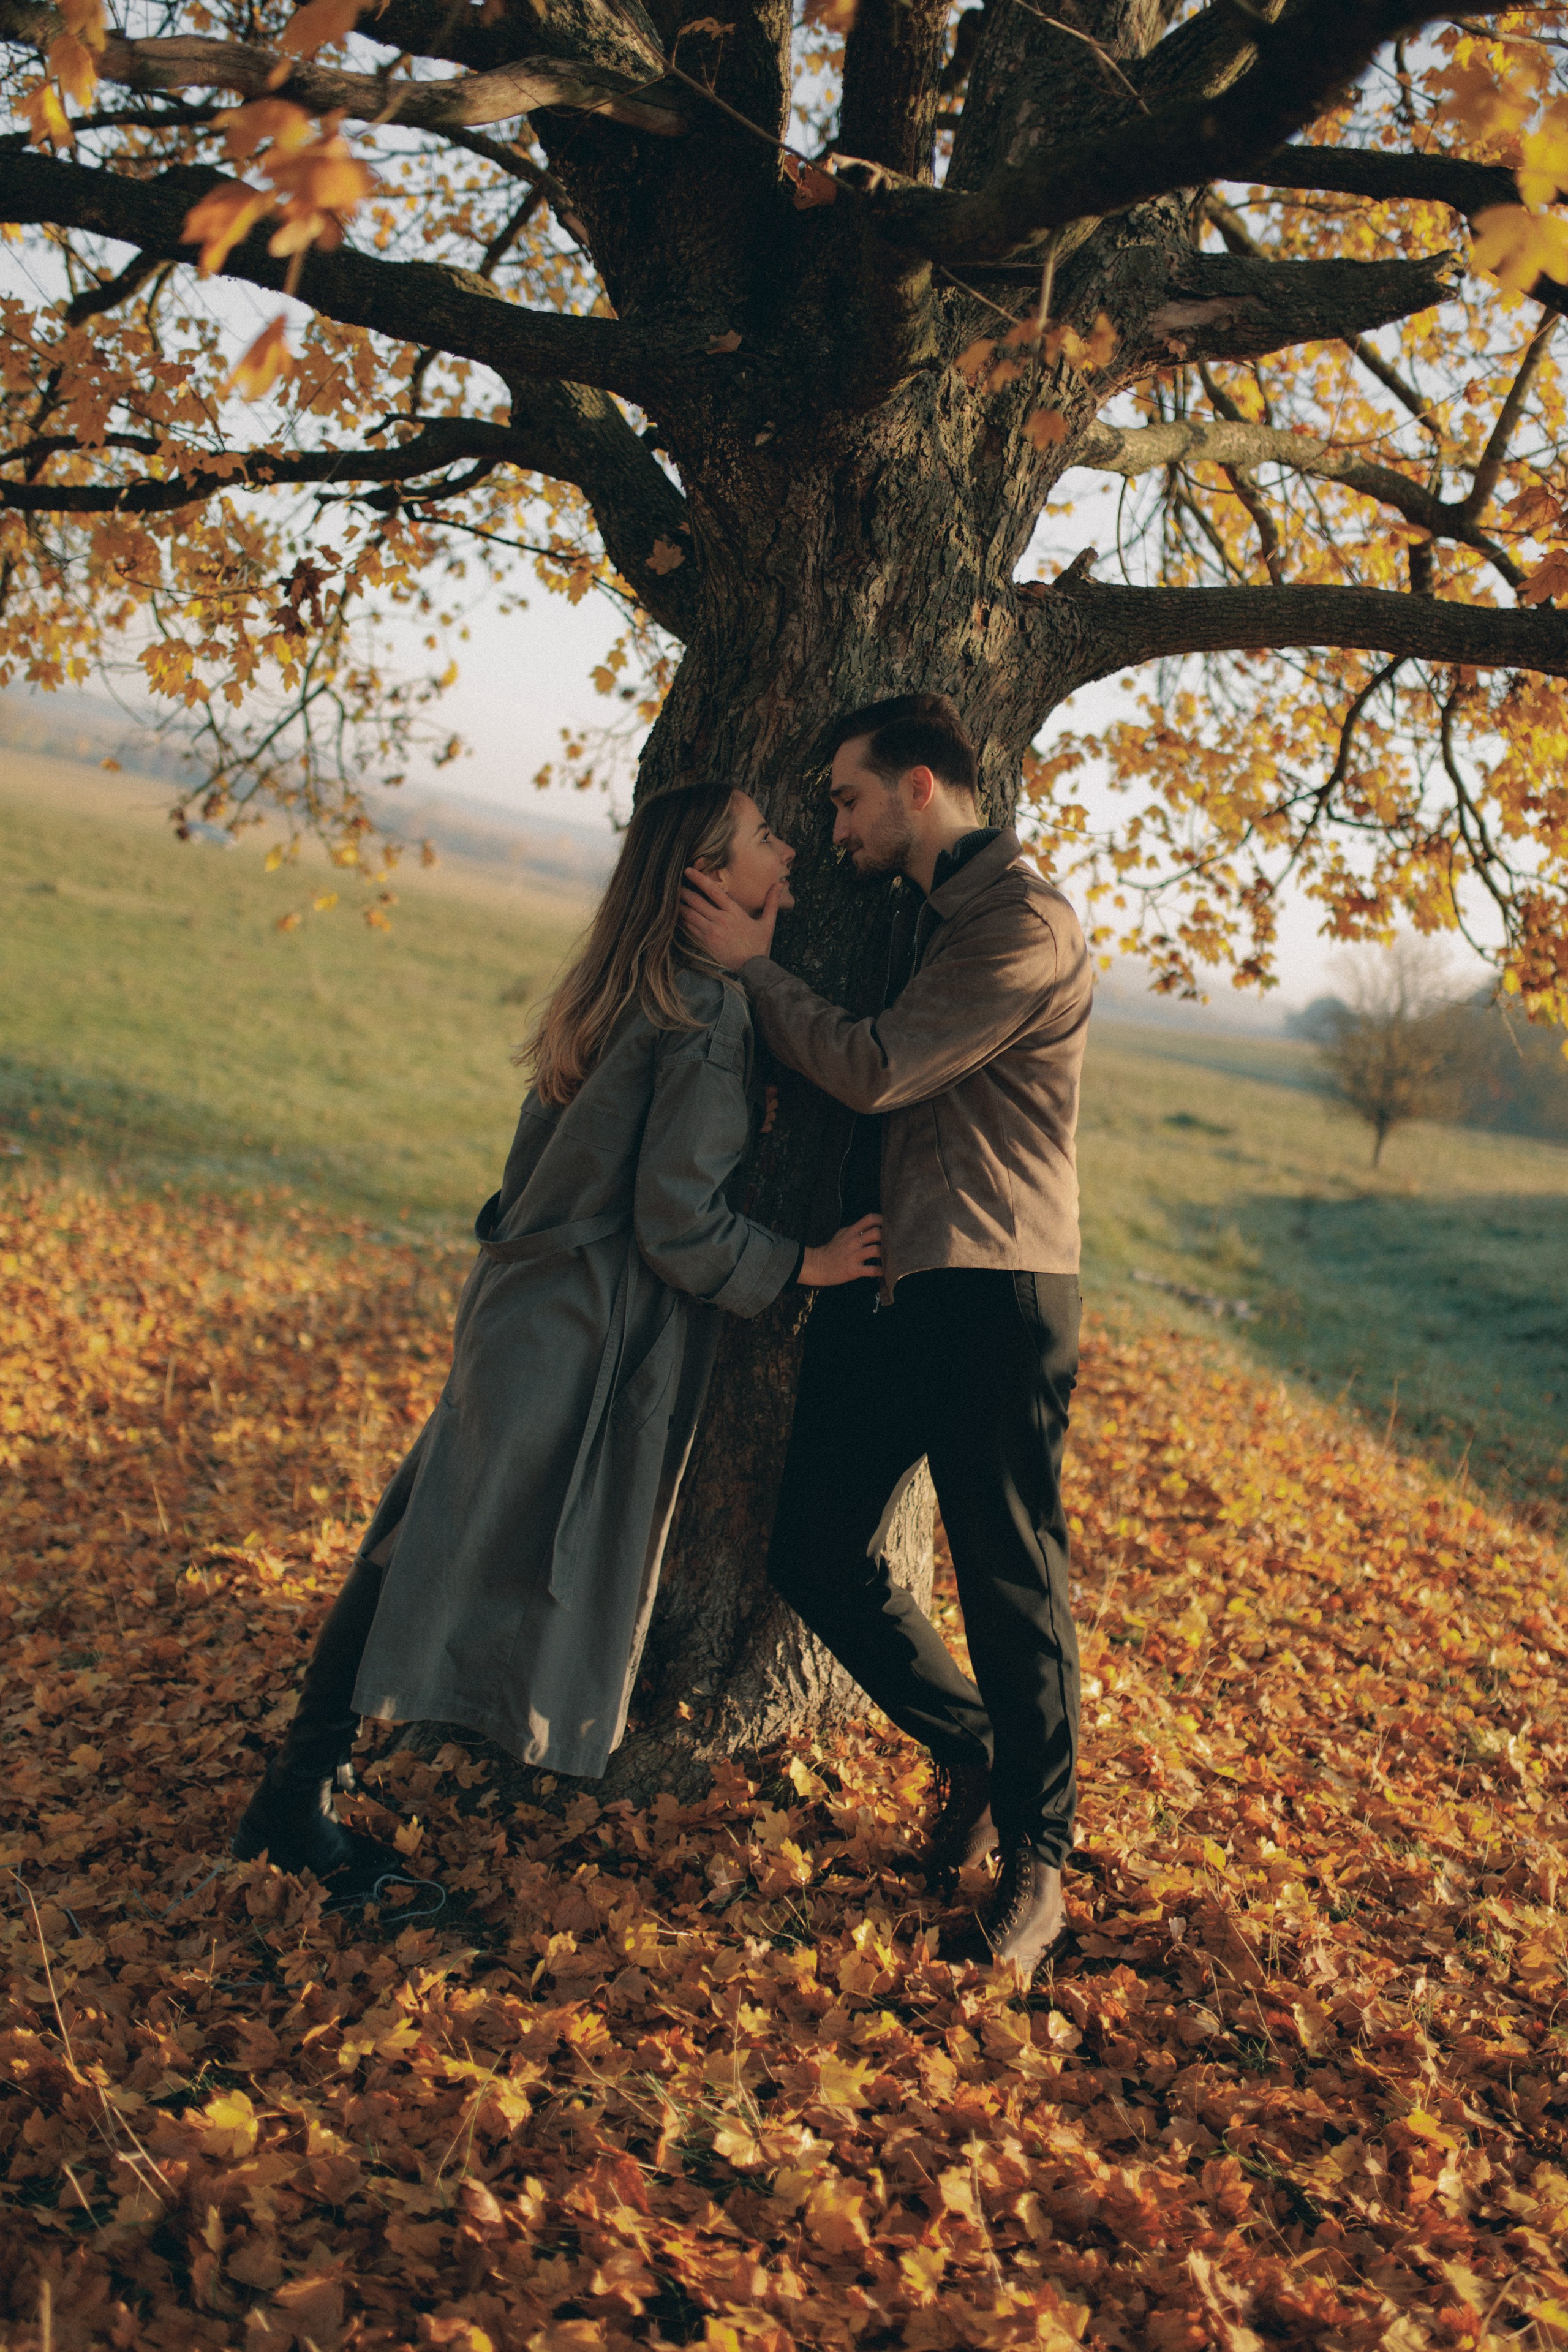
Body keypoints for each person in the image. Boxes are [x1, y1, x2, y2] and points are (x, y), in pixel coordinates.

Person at [234, 782, 881, 1903]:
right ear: (708, 883)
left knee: (424, 1527)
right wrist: (803, 1265)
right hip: (580, 1330)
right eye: (764, 839)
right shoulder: (707, 1013)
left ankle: (298, 1788)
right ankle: (295, 1800)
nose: (789, 850)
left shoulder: (621, 987)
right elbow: (677, 1224)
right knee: (428, 1540)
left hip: (524, 1308)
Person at [680, 694, 1091, 1988]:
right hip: (894, 1282)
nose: (834, 825)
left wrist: (749, 972)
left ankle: (1037, 1865)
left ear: (919, 787)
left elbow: (871, 1069)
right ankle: (970, 1742)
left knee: (1010, 1581)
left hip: (997, 1293)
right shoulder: (930, 913)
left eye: (849, 798)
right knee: (811, 1547)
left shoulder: (1021, 922)